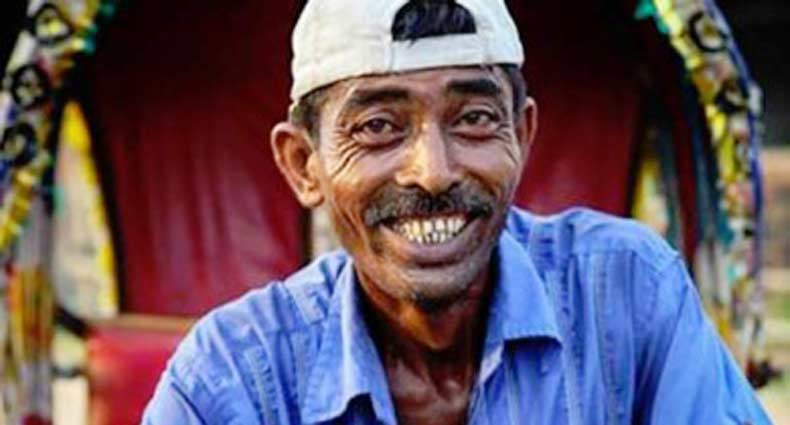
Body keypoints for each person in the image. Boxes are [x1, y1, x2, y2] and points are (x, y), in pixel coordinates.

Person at [142, 0, 770, 423]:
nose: (434, 171)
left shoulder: (628, 293)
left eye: (473, 118)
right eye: (378, 126)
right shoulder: (232, 378)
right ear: (304, 164)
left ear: (521, 136)